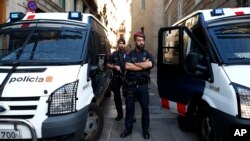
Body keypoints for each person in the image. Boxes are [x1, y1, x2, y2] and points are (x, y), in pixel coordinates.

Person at [120, 32, 154, 139]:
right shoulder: (129, 54)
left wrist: (135, 64)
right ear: (135, 41)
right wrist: (142, 66)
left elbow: (150, 64)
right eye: (139, 40)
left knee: (145, 109)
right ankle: (128, 129)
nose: (141, 42)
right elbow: (127, 66)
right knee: (129, 109)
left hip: (143, 86)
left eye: (143, 40)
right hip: (131, 86)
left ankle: (145, 130)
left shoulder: (148, 54)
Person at [107, 38, 126, 121]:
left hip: (126, 78)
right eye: (120, 43)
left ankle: (130, 116)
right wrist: (114, 66)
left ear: (124, 44)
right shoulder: (114, 54)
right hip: (116, 78)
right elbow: (107, 64)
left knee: (129, 98)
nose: (121, 45)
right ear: (118, 44)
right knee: (117, 97)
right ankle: (120, 115)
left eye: (122, 43)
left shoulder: (128, 54)